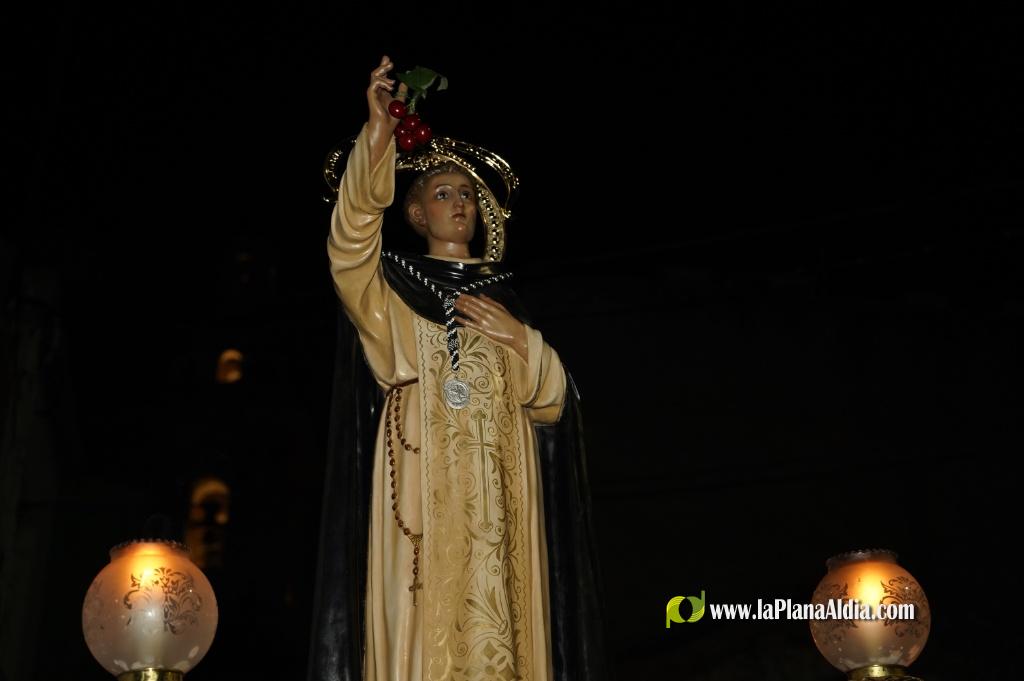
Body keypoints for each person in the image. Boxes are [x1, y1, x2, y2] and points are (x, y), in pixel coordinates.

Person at [307, 55, 607, 681]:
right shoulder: (393, 292)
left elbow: (554, 404)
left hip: (503, 495)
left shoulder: (506, 306)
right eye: (442, 194)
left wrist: (525, 343)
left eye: (467, 194)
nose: (459, 204)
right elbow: (349, 245)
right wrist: (381, 133)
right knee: (423, 634)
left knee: (507, 623)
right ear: (417, 215)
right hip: (421, 490)